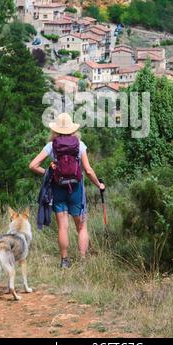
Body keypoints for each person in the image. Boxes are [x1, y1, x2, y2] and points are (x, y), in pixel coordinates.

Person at [29, 113, 105, 268]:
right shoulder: (80, 145)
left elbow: (33, 165)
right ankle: (83, 262)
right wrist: (99, 185)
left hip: (58, 188)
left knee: (63, 226)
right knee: (82, 227)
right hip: (76, 189)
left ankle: (64, 261)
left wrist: (50, 173)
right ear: (72, 129)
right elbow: (88, 170)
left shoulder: (51, 145)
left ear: (55, 130)